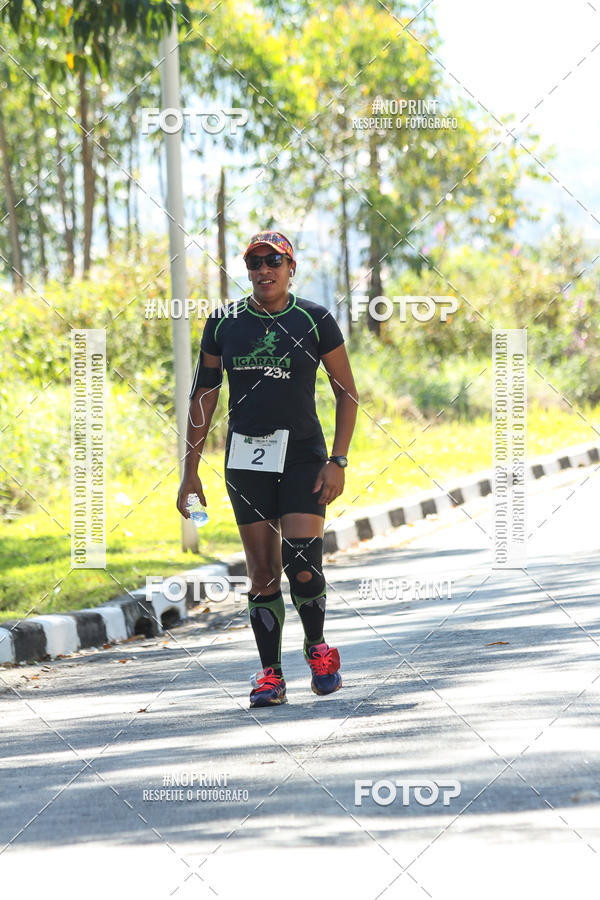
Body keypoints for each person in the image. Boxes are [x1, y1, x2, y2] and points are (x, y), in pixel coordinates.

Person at [177, 231, 358, 707]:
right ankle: (270, 676)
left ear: (290, 267)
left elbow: (347, 392)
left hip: (302, 456)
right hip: (246, 460)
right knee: (261, 573)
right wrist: (190, 472)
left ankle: (317, 648)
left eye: (272, 261)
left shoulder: (314, 319)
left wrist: (337, 459)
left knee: (302, 564)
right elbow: (204, 396)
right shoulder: (224, 322)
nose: (263, 271)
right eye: (254, 263)